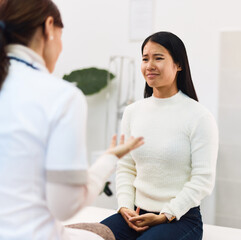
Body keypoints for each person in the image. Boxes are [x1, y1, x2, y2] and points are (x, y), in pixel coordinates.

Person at [0, 0, 143, 240]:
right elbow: (64, 206)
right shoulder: (61, 97)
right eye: (61, 35)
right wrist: (110, 158)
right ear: (48, 27)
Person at [101, 31, 219, 240]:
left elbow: (203, 180)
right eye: (145, 58)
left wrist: (166, 215)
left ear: (179, 65)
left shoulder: (199, 117)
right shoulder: (133, 112)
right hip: (135, 215)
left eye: (158, 58)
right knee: (83, 235)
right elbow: (127, 167)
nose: (149, 65)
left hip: (180, 219)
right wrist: (125, 207)